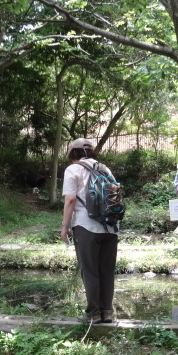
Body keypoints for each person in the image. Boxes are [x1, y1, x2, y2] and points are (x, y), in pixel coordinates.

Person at [60, 138, 119, 323]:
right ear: (92, 152)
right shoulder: (104, 168)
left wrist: (64, 227)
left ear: (73, 153)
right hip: (110, 226)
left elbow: (70, 200)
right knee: (106, 270)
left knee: (90, 270)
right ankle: (107, 312)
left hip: (86, 226)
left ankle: (93, 314)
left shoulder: (73, 169)